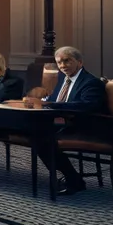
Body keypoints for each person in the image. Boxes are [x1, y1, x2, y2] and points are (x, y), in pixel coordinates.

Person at [34, 46, 105, 194]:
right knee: (32, 132)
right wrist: (41, 101)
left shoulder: (91, 82)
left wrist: (51, 105)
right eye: (59, 62)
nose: (62, 65)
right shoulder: (62, 79)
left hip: (82, 126)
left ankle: (74, 180)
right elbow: (54, 100)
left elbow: (87, 106)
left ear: (79, 62)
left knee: (42, 139)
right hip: (61, 123)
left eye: (67, 61)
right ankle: (67, 176)